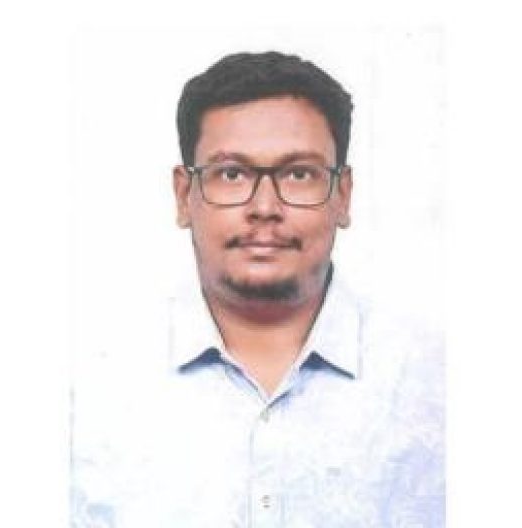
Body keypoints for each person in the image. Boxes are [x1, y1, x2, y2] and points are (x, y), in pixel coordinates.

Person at [72, 51, 444, 527]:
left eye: (299, 173)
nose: (265, 207)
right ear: (184, 196)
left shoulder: (437, 385)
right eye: (232, 174)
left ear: (343, 195)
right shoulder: (88, 391)